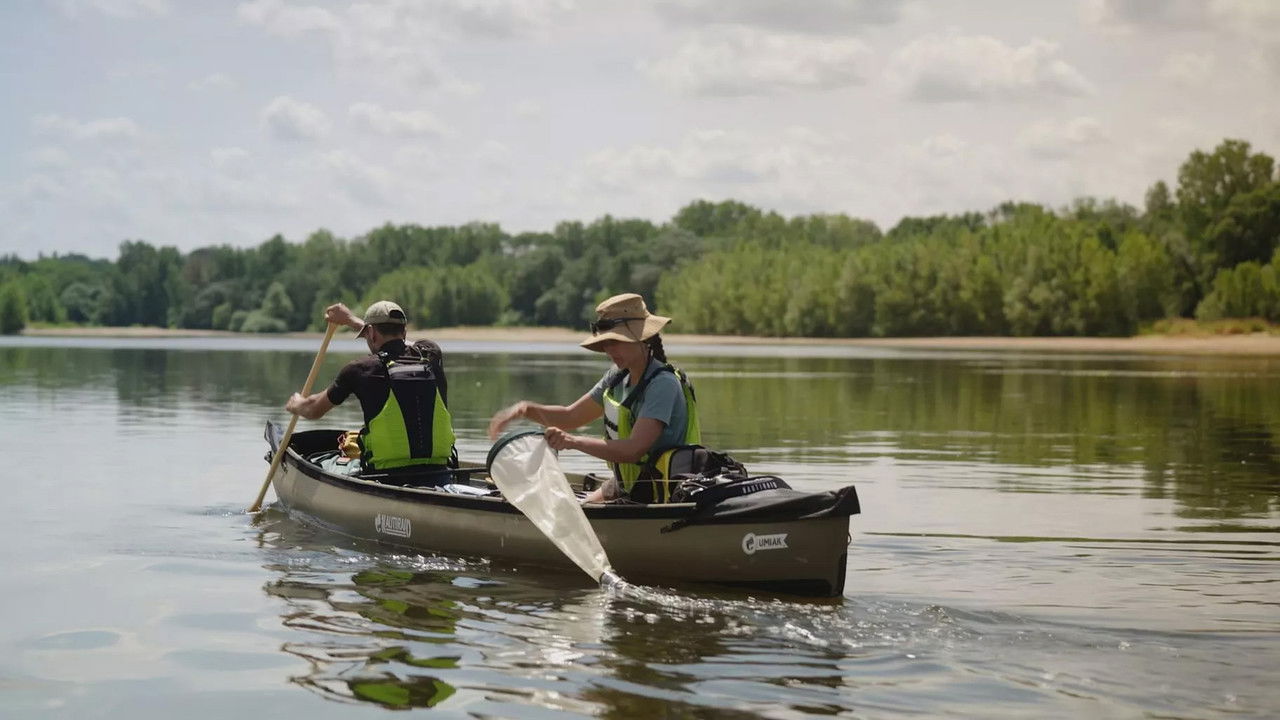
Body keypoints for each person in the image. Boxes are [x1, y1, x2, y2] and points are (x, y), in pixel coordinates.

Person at [488, 293, 699, 503]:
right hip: (628, 488)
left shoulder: (662, 384)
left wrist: (572, 442)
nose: (609, 350)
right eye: (605, 342)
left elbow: (633, 450)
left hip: (662, 495)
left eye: (615, 341)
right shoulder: (617, 377)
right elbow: (571, 416)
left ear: (642, 338)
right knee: (576, 504)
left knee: (574, 506)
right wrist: (525, 409)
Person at [285, 301, 456, 475]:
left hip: (385, 476)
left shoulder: (360, 369)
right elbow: (405, 345)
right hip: (439, 471)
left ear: (371, 333)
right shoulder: (431, 354)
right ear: (404, 332)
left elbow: (313, 410)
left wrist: (296, 404)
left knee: (322, 461)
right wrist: (352, 320)